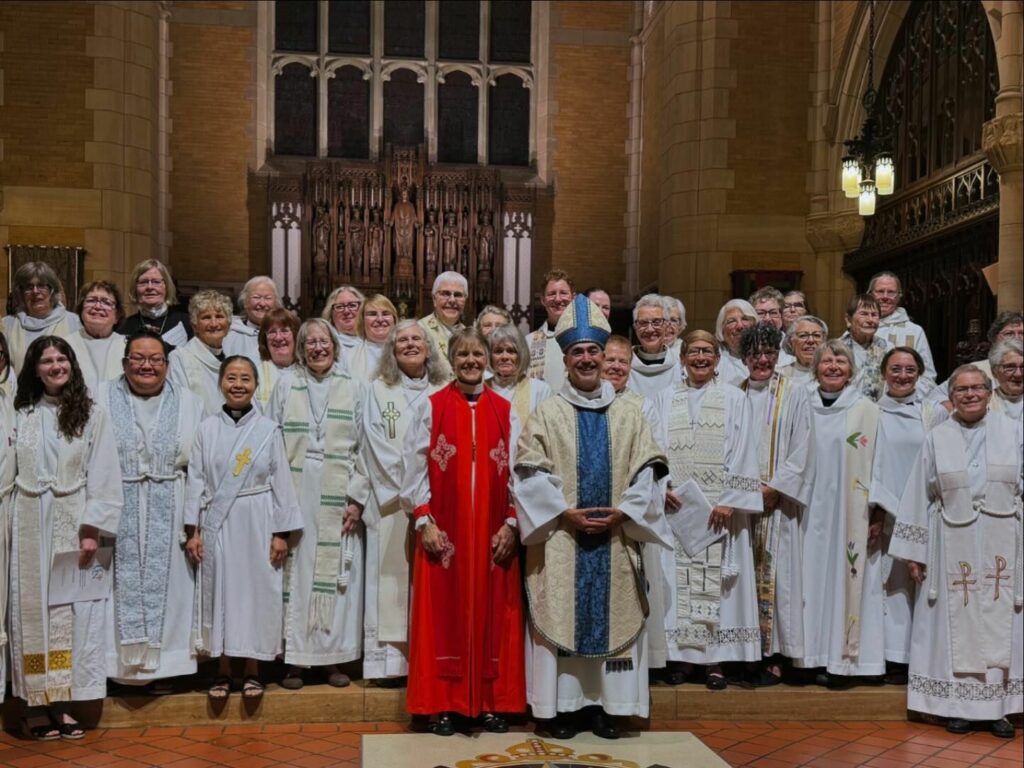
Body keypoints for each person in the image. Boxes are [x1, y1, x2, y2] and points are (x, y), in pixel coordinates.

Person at [513, 295, 671, 740]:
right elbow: (527, 471)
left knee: (611, 618)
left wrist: (625, 511)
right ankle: (561, 708)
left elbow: (650, 469)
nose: (586, 358)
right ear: (565, 360)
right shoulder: (547, 413)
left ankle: (604, 707)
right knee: (562, 616)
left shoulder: (630, 412)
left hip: (616, 538)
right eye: (577, 352)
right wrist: (564, 512)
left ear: (605, 357)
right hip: (562, 538)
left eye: (593, 351)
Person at [402, 328, 526, 736]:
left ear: (488, 359)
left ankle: (492, 703)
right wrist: (424, 519)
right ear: (451, 360)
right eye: (463, 355)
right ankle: (442, 705)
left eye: (477, 354)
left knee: (495, 619)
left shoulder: (505, 409)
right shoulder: (431, 406)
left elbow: (521, 473)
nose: (471, 361)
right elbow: (414, 464)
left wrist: (512, 522)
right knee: (443, 619)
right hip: (446, 535)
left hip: (493, 535)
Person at [890, 365, 1022, 738]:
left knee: (999, 620)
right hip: (950, 540)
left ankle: (998, 710)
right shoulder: (937, 436)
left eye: (977, 388)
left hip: (1003, 541)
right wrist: (916, 551)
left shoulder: (1012, 432)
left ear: (989, 392)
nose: (970, 395)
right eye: (961, 390)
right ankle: (957, 707)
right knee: (953, 624)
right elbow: (919, 492)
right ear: (952, 396)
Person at [9, 336, 122, 739]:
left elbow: (105, 474)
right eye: (46, 360)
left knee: (72, 613)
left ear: (72, 365)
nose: (55, 366)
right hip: (26, 517)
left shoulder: (92, 415)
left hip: (74, 520)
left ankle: (64, 702)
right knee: (28, 611)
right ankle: (33, 702)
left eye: (62, 359)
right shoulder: (18, 411)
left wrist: (92, 529)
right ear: (34, 369)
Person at [644, 330, 763, 690]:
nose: (700, 357)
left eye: (707, 351)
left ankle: (715, 662)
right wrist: (661, 485)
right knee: (678, 586)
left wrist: (730, 499)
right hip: (677, 509)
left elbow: (745, 448)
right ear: (681, 358)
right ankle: (681, 659)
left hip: (719, 512)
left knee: (720, 589)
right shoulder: (663, 399)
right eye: (693, 351)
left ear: (717, 358)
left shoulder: (734, 398)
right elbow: (653, 447)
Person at [185, 356, 303, 702]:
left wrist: (281, 533)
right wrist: (193, 530)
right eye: (232, 378)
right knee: (221, 591)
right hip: (218, 523)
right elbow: (196, 479)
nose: (238, 384)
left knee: (255, 592)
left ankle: (252, 669)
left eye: (246, 379)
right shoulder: (206, 429)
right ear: (221, 383)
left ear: (255, 385)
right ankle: (222, 669)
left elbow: (281, 481)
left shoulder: (267, 430)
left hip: (258, 519)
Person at [100, 330, 205, 691]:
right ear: (125, 362)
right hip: (117, 501)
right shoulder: (99, 397)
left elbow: (200, 468)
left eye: (155, 359)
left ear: (167, 363)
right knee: (115, 589)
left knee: (174, 588)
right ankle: (119, 667)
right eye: (138, 359)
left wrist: (195, 524)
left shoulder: (191, 402)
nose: (147, 366)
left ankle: (167, 668)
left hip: (171, 501)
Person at [349, 320, 448, 687]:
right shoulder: (376, 390)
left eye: (416, 339)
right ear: (391, 350)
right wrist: (411, 494)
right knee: (390, 582)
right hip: (391, 502)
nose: (409, 345)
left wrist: (429, 493)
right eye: (401, 340)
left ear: (429, 347)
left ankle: (429, 656)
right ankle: (392, 665)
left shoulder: (444, 388)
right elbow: (373, 444)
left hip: (435, 503)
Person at [269, 319, 365, 690]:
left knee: (335, 576)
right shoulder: (285, 383)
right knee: (295, 571)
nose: (318, 348)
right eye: (310, 342)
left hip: (337, 490)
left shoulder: (352, 387)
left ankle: (331, 659)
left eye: (324, 341)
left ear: (335, 346)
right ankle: (294, 661)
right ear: (301, 348)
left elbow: (364, 446)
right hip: (295, 487)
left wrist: (356, 498)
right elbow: (272, 439)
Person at [796, 340, 882, 687]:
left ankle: (841, 661)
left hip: (850, 512)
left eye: (840, 361)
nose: (833, 366)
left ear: (852, 369)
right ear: (815, 367)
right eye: (826, 361)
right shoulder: (800, 404)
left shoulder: (866, 410)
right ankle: (805, 658)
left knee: (844, 578)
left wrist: (876, 513)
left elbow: (879, 464)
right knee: (807, 580)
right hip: (804, 511)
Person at [868, 347, 949, 688]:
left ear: (920, 374)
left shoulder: (933, 414)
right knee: (888, 587)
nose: (903, 376)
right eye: (896, 369)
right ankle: (889, 657)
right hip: (882, 512)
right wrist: (875, 510)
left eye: (910, 370)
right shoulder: (868, 413)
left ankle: (920, 657)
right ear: (883, 373)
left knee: (921, 584)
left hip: (925, 511)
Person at [738, 324, 814, 686]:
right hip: (740, 505)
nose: (762, 360)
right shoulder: (733, 393)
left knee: (778, 580)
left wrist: (776, 487)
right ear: (744, 357)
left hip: (777, 507)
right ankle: (746, 653)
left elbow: (803, 447)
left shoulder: (795, 393)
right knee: (741, 581)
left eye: (769, 353)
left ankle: (775, 655)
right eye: (754, 353)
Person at [486, 323, 552, 459]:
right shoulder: (481, 389)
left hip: (525, 466)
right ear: (490, 356)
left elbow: (546, 437)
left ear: (521, 354)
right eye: (498, 351)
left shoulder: (539, 390)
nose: (505, 357)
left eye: (511, 351)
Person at [3, 261, 82, 373]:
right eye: (29, 287)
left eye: (41, 285)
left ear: (52, 290)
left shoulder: (75, 323)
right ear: (20, 292)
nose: (35, 291)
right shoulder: (6, 325)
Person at [168, 290, 233, 415]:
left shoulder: (231, 360)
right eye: (206, 317)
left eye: (219, 317)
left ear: (228, 324)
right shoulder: (180, 358)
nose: (214, 323)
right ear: (194, 325)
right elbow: (179, 406)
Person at [869, 272, 937, 382]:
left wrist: (904, 396)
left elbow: (927, 375)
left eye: (891, 292)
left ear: (899, 297)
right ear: (871, 295)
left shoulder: (914, 331)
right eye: (880, 291)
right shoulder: (858, 329)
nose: (885, 297)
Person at [64, 281, 126, 392]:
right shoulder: (66, 345)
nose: (97, 306)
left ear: (117, 315)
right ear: (81, 310)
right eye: (91, 300)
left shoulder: (126, 345)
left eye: (106, 302)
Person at [118, 259, 192, 348]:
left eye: (156, 282)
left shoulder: (187, 322)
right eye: (143, 282)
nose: (150, 287)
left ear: (166, 286)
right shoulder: (124, 327)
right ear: (135, 288)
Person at [839, 294, 893, 401]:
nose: (870, 320)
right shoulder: (836, 348)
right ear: (848, 319)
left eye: (874, 315)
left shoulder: (888, 348)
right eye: (864, 314)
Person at [527, 269, 574, 389]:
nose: (558, 299)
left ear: (573, 297)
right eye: (551, 294)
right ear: (543, 300)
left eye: (563, 293)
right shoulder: (529, 342)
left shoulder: (586, 339)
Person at [628, 294, 681, 399]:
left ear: (666, 325)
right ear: (635, 327)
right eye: (643, 323)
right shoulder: (625, 365)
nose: (650, 329)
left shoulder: (680, 367)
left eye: (657, 322)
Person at [224, 276, 281, 365]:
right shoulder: (229, 334)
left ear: (276, 304)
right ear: (245, 302)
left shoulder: (283, 335)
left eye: (268, 298)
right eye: (256, 297)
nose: (262, 303)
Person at [420, 271, 468, 365]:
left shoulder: (468, 335)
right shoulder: (419, 330)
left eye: (458, 295)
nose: (452, 300)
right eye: (445, 294)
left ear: (465, 300)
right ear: (434, 299)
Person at [254, 308, 299, 409]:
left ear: (296, 335)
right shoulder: (256, 373)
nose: (278, 337)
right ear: (264, 339)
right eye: (272, 332)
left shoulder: (307, 371)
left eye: (284, 331)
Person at [346, 294, 398, 381]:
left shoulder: (407, 352)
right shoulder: (348, 357)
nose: (380, 319)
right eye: (372, 314)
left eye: (385, 313)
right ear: (362, 321)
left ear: (394, 319)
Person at [714, 299, 756, 386]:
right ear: (722, 330)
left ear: (755, 324)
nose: (740, 326)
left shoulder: (769, 356)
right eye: (732, 321)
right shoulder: (714, 361)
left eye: (745, 319)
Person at [750, 287, 794, 367]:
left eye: (773, 313)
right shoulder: (746, 346)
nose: (768, 318)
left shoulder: (793, 345)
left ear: (781, 315)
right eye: (761, 313)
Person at [777, 316, 828, 384]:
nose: (811, 340)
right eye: (803, 335)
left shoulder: (833, 374)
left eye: (816, 335)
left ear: (824, 341)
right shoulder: (779, 375)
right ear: (790, 343)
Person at [322, 285, 365, 357]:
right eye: (339, 307)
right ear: (330, 313)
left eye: (352, 305)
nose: (346, 311)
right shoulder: (325, 344)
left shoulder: (373, 340)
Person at [987, 340, 1023, 421]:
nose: (1018, 374)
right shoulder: (984, 402)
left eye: (1023, 367)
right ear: (994, 372)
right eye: (1010, 367)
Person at [601, 334, 641, 405]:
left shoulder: (642, 405)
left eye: (623, 362)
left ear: (630, 366)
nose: (616, 366)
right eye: (610, 360)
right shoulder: (582, 399)